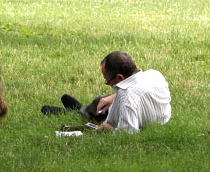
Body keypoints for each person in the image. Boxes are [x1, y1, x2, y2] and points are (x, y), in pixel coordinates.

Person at [41, 51, 172, 133]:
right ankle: (83, 109)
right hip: (157, 118)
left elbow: (127, 133)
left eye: (108, 81)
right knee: (106, 100)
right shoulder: (155, 74)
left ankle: (81, 110)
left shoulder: (127, 98)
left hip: (136, 118)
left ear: (120, 77)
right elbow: (138, 90)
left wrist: (108, 129)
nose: (109, 85)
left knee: (101, 103)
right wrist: (115, 97)